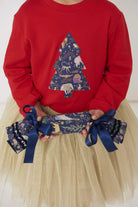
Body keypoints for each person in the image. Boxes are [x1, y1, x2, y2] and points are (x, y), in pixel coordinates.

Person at [0, 0, 138, 206]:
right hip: (45, 121)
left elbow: (119, 68)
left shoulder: (109, 14)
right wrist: (31, 105)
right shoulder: (28, 13)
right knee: (49, 185)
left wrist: (103, 105)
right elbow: (16, 68)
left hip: (93, 121)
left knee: (88, 187)